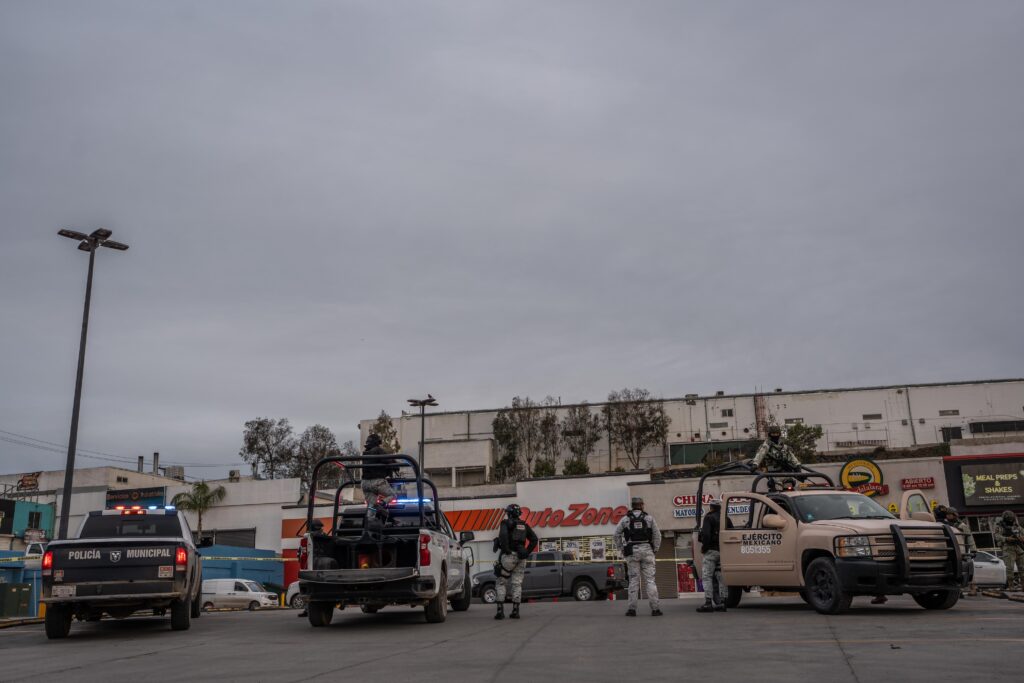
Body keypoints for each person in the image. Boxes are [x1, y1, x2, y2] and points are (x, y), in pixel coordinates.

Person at [614, 496, 662, 617]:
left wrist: (621, 549)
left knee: (634, 581)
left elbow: (616, 534)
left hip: (632, 551)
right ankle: (655, 609)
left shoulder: (625, 519)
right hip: (647, 550)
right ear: (642, 505)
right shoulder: (649, 518)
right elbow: (657, 535)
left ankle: (632, 610)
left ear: (632, 505)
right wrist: (655, 549)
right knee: (650, 580)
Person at [494, 504, 538, 620]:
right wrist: (526, 552)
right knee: (517, 583)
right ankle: (515, 611)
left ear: (509, 513)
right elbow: (534, 539)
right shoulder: (524, 525)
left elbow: (503, 535)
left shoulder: (505, 523)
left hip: (509, 556)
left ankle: (500, 611)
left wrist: (506, 549)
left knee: (501, 582)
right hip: (521, 558)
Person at [696, 499, 732, 613]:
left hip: (711, 551)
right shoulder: (726, 519)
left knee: (707, 576)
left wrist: (704, 547)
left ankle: (708, 603)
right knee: (721, 577)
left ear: (711, 507)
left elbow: (706, 535)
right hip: (724, 552)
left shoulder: (709, 517)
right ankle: (722, 602)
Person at [360, 433, 400, 521]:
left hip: (364, 483)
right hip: (377, 482)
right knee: (393, 495)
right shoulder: (378, 450)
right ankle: (381, 505)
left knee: (371, 505)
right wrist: (396, 465)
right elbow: (388, 460)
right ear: (377, 442)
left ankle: (369, 522)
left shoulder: (365, 453)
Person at [751, 425, 801, 491]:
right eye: (773, 434)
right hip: (773, 473)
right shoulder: (766, 446)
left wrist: (797, 465)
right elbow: (760, 454)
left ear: (779, 434)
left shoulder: (784, 446)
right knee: (778, 489)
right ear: (770, 434)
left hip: (786, 473)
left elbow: (792, 457)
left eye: (777, 433)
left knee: (789, 489)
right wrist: (755, 464)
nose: (775, 435)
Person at [945, 508, 977, 596]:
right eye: (947, 514)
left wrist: (973, 549)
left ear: (954, 515)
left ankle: (973, 588)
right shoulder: (946, 525)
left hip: (962, 550)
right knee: (955, 570)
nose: (948, 516)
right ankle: (958, 590)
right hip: (952, 550)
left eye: (949, 514)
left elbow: (969, 537)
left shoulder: (962, 525)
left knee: (967, 569)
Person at [994, 510, 1024, 590]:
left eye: (1011, 519)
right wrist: (1007, 539)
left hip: (1019, 548)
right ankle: (1011, 586)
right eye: (1009, 519)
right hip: (1008, 548)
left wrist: (1022, 538)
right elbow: (997, 536)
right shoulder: (999, 526)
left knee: (1022, 568)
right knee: (1010, 568)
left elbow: (1022, 533)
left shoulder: (1016, 526)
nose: (1011, 520)